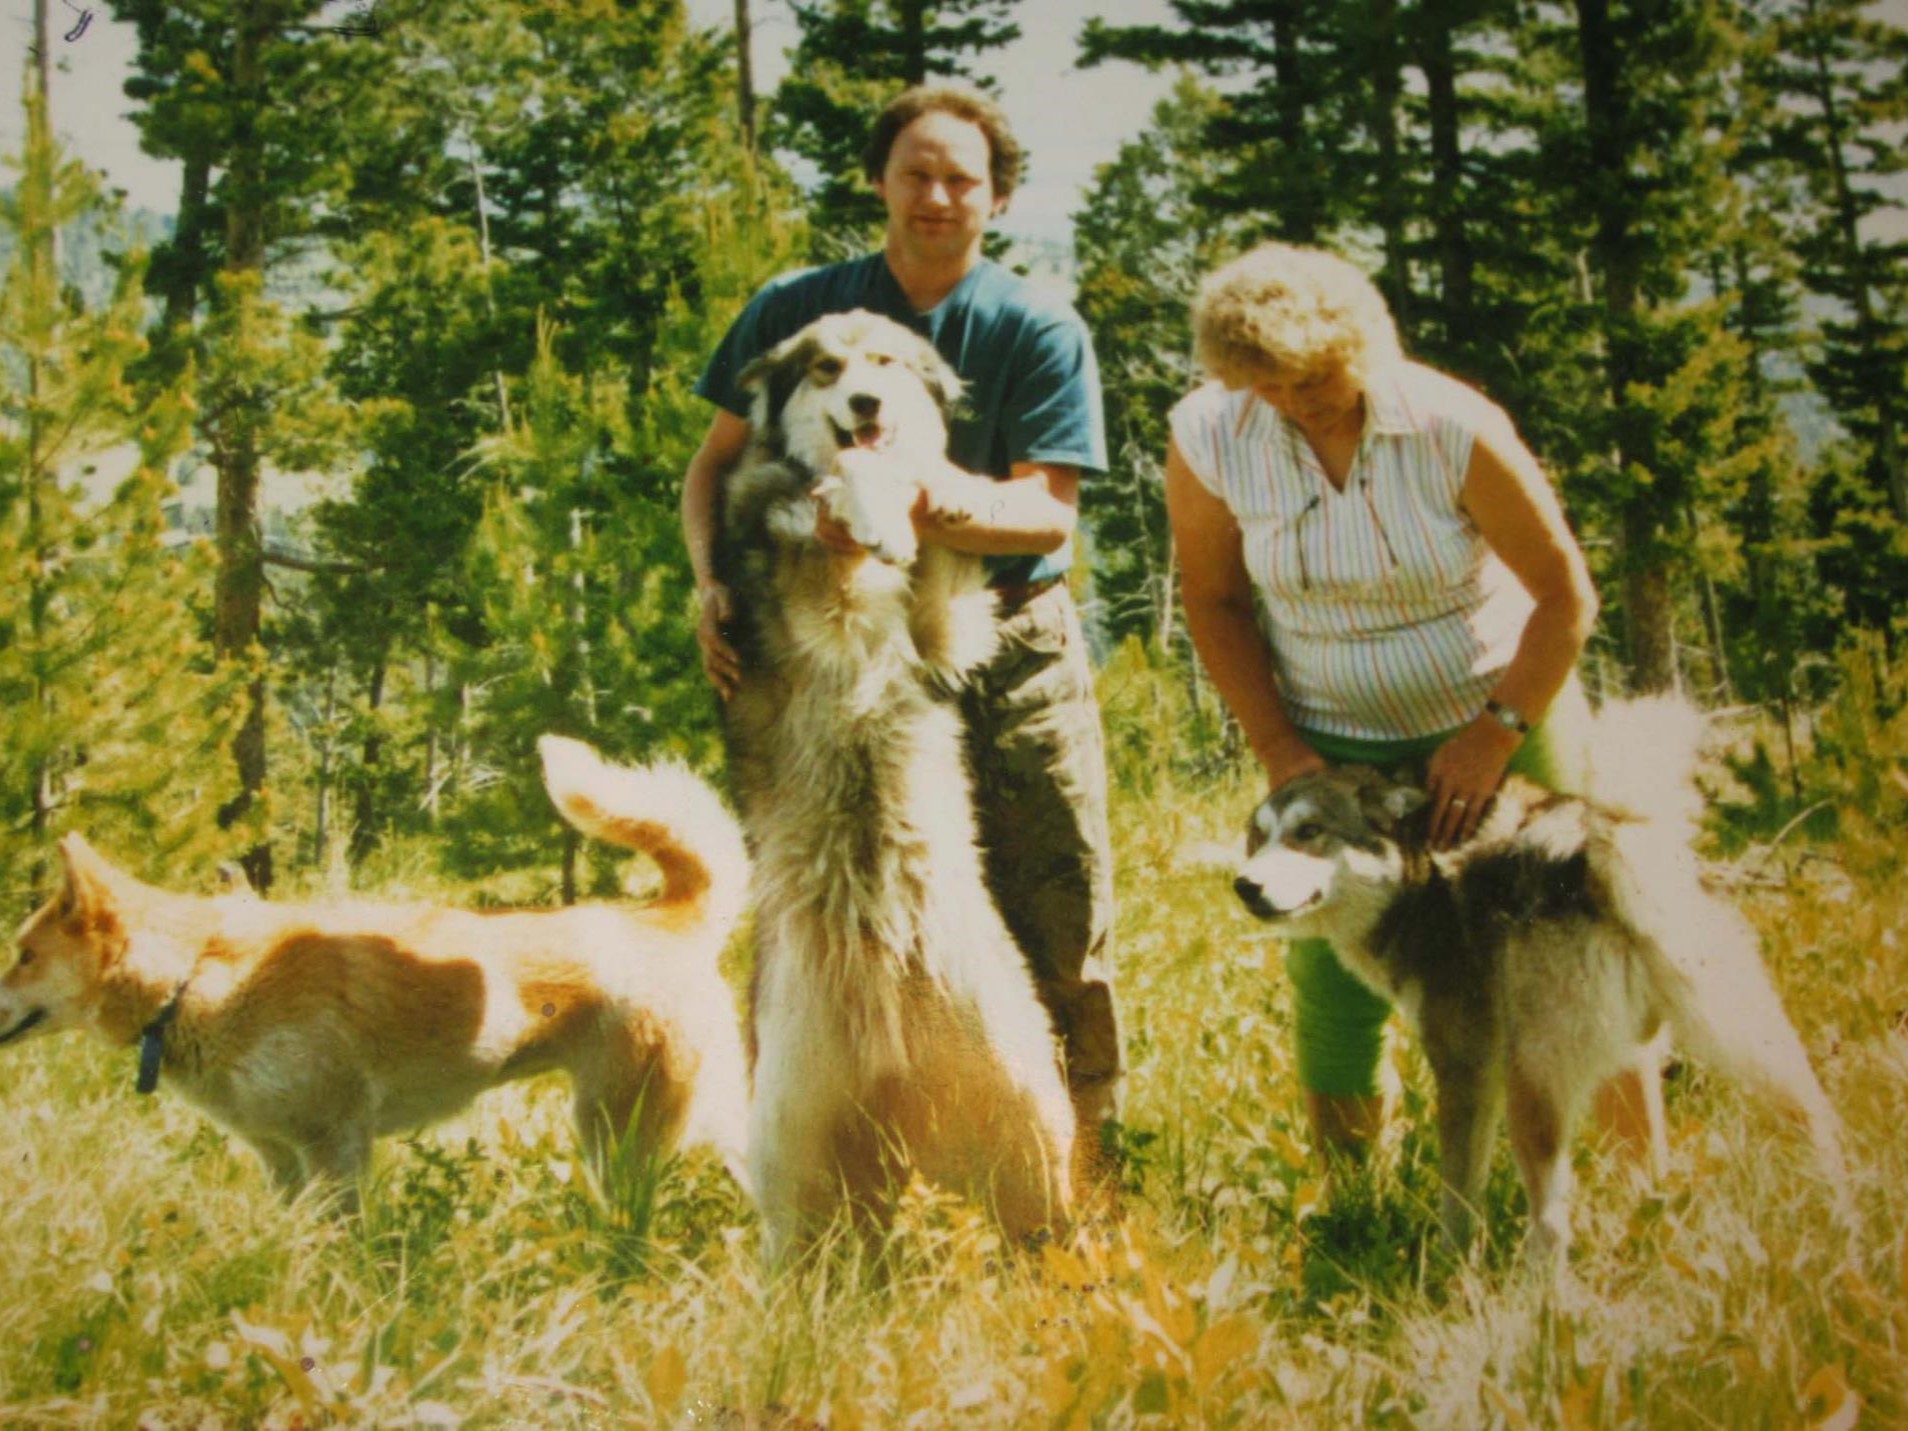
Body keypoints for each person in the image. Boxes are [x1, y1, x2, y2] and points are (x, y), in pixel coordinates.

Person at [680, 84, 1123, 1193]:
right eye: (915, 173)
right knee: (805, 923)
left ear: (999, 196)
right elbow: (714, 465)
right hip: (818, 648)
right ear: (880, 182)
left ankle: (1077, 1198)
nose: (938, 195)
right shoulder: (801, 309)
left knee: (1054, 920)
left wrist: (920, 502)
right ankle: (814, 1178)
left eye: (962, 178)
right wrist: (709, 586)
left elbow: (1049, 512)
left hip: (1002, 639)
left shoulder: (1033, 324)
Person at [1165, 241, 1665, 1169]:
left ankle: (1644, 1191)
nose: (1294, 404)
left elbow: (1567, 595)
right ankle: (1357, 1199)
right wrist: (1278, 746)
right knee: (1332, 964)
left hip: (1500, 708)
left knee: (1578, 941)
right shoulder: (1208, 433)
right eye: (1267, 389)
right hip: (1325, 734)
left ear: (1364, 349)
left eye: (1314, 382)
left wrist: (1494, 733)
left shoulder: (1449, 423)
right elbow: (1214, 599)